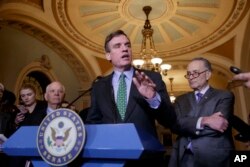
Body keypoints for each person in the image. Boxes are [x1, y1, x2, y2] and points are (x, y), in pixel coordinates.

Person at [85, 30, 176, 166]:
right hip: (109, 158)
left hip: (145, 159)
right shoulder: (99, 86)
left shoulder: (152, 78)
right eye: (118, 46)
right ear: (108, 55)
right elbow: (93, 122)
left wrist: (153, 98)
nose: (125, 49)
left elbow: (170, 120)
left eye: (127, 45)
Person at [168, 57, 235, 167]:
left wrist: (187, 125)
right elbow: (175, 125)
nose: (190, 77)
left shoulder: (224, 95)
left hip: (214, 158)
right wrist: (204, 121)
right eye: (188, 74)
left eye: (195, 73)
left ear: (208, 74)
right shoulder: (180, 100)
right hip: (184, 158)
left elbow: (219, 125)